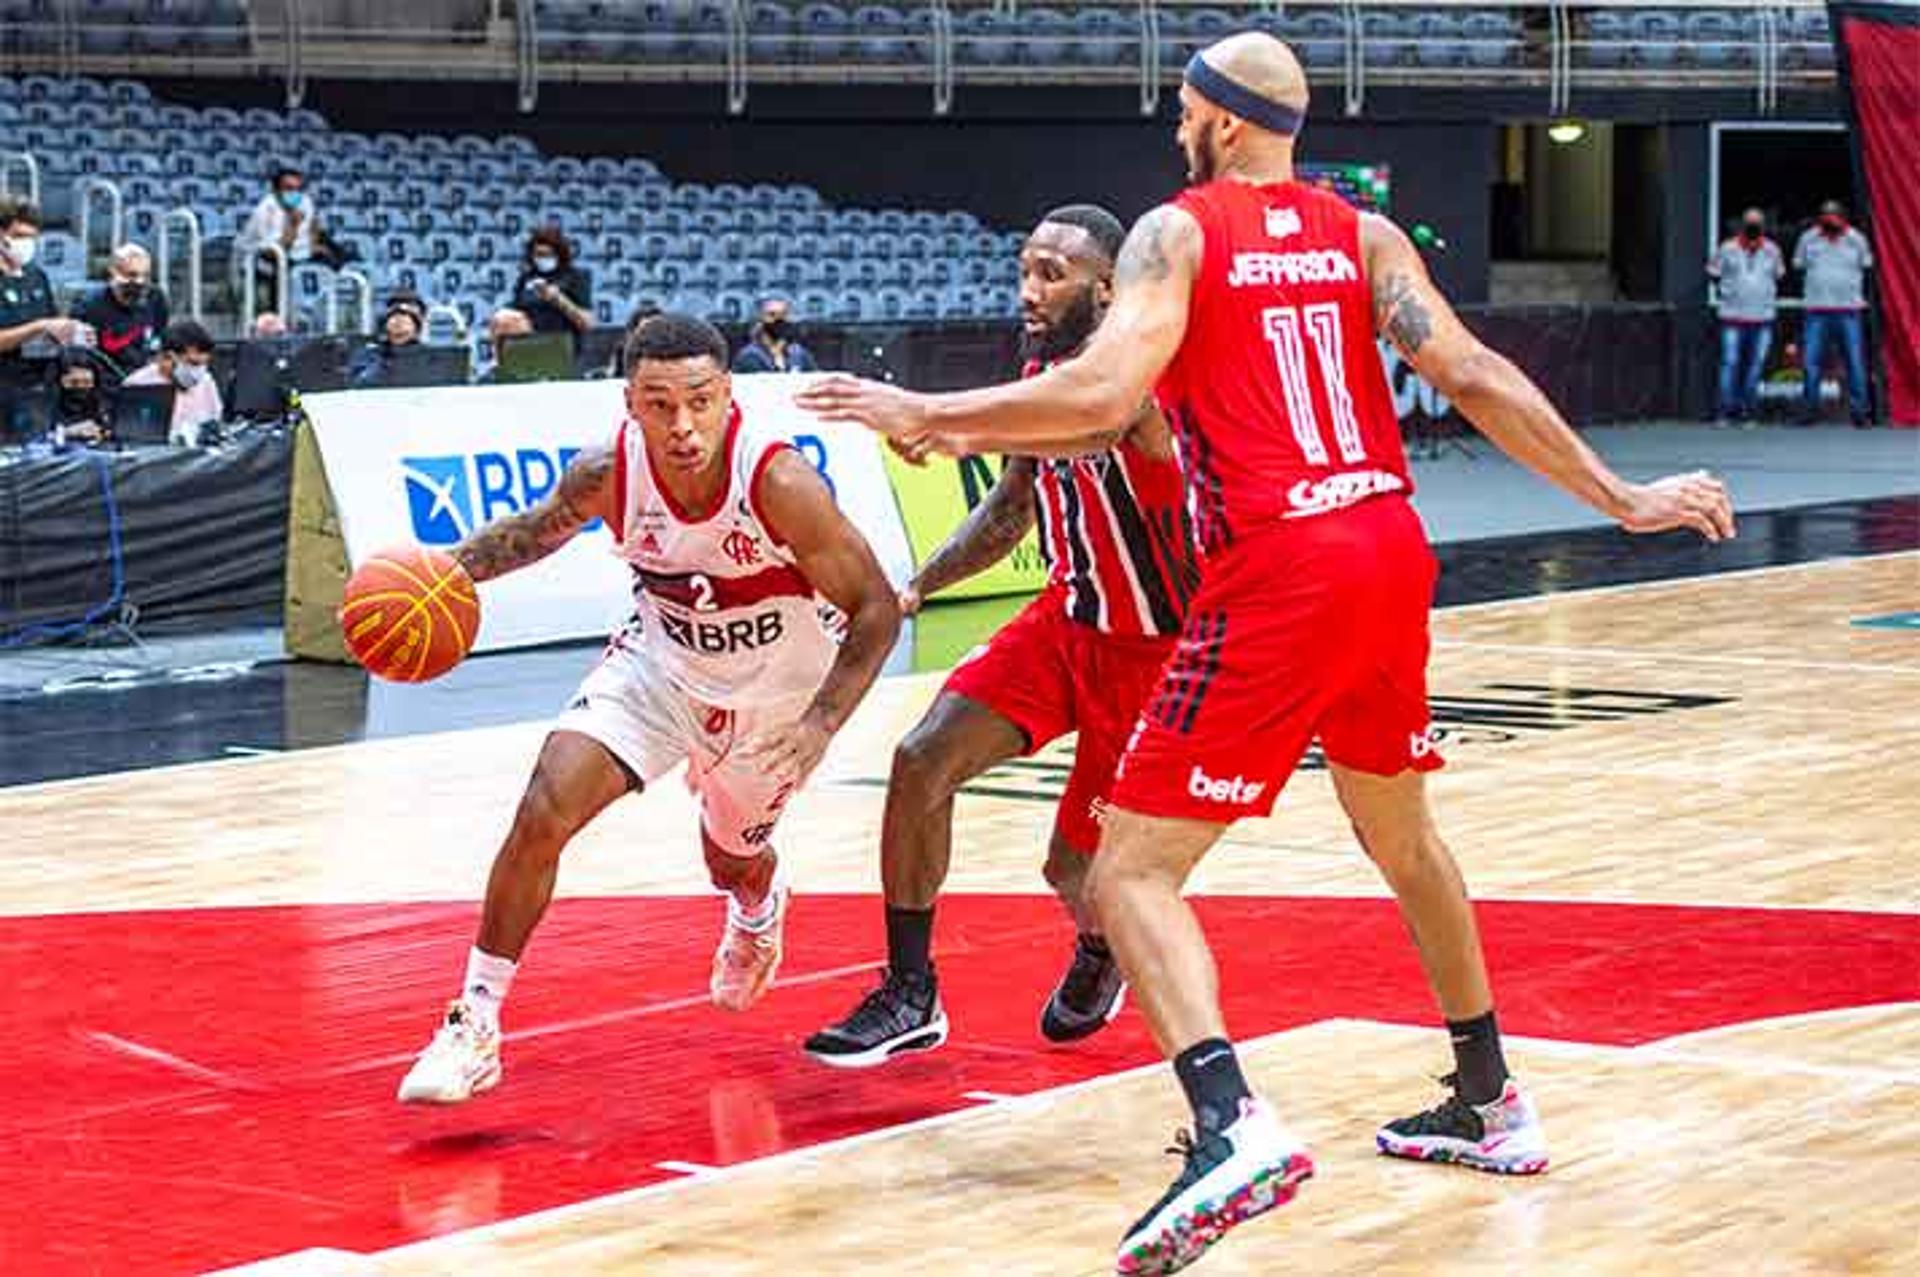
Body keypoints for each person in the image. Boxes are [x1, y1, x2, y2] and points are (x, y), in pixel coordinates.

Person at [798, 33, 1734, 1274]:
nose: (1178, 129)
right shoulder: (1365, 238)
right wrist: (1620, 494)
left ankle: (1228, 1124)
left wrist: (930, 414)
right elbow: (1471, 369)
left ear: (1221, 125)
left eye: (1186, 112)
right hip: (1390, 547)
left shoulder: (1174, 233)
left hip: (1280, 564)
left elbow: (1096, 393)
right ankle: (1492, 1094)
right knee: (1403, 836)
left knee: (1126, 876)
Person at [397, 313, 902, 1105]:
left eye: (699, 400)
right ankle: (474, 1021)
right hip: (658, 669)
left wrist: (820, 726)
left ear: (727, 395)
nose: (683, 424)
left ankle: (758, 901)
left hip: (774, 698)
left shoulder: (777, 483)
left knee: (728, 859)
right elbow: (532, 535)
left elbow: (877, 607)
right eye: (660, 404)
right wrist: (440, 574)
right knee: (543, 807)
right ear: (630, 401)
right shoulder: (609, 472)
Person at [804, 205, 1198, 1069]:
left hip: (1157, 656)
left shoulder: (1143, 381)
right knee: (920, 760)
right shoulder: (1038, 373)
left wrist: (940, 421)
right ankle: (910, 991)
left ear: (1108, 287)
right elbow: (1012, 507)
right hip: (1068, 622)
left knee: (1074, 870)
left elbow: (1088, 425)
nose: (1029, 288)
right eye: (1025, 266)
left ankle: (1100, 947)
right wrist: (915, 587)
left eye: (1052, 273)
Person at [0, 196, 93, 440]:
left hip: (38, 390)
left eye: (31, 237)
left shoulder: (36, 276)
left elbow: (50, 325)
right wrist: (39, 326)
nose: (26, 243)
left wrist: (72, 335)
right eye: (19, 235)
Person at [1793, 199, 1875, 426]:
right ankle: (1809, 412)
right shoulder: (1808, 238)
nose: (1830, 219)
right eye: (1826, 215)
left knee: (1855, 363)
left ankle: (1860, 413)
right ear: (1820, 218)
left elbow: (1867, 267)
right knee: (1811, 363)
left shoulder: (1856, 239)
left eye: (1834, 215)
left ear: (1843, 217)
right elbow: (1798, 266)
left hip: (1848, 309)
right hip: (1816, 309)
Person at [1705, 208, 1783, 425]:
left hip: (1763, 317)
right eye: (1749, 222)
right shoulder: (1727, 248)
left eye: (1757, 222)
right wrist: (1726, 292)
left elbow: (1780, 275)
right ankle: (1724, 412)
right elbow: (1713, 273)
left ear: (1763, 225)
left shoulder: (1772, 250)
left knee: (1756, 366)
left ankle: (1748, 412)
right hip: (1732, 316)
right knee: (1730, 363)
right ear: (1742, 224)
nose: (1753, 226)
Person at [75, 243, 170, 380]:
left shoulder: (155, 298)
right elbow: (78, 357)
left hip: (144, 382)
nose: (139, 281)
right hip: (104, 386)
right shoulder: (89, 305)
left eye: (145, 276)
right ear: (113, 272)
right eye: (132, 275)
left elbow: (160, 340)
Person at [123, 319, 224, 446]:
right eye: (193, 363)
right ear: (166, 358)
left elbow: (215, 423)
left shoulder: (206, 382)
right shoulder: (137, 385)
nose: (199, 371)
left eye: (204, 364)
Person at [238, 166, 321, 318]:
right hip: (259, 260)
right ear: (276, 191)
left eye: (298, 188)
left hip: (295, 255)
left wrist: (314, 244)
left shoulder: (305, 201)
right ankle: (278, 318)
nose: (295, 193)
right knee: (279, 273)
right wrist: (293, 226)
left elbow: (314, 223)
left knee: (333, 260)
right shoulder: (264, 210)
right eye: (289, 188)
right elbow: (272, 252)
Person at [498, 225, 593, 340]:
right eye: (538, 254)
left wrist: (558, 299)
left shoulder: (575, 277)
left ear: (559, 254)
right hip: (531, 345)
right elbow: (516, 312)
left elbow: (587, 323)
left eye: (548, 254)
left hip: (564, 344)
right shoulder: (526, 278)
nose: (542, 258)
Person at [347, 290, 427, 387]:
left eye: (406, 320)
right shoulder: (368, 354)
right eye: (394, 317)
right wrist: (386, 361)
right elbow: (359, 383)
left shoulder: (428, 357)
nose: (399, 324)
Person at [733, 297, 819, 374]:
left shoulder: (799, 353)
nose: (779, 319)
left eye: (784, 314)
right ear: (759, 320)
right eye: (772, 315)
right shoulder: (750, 356)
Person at [51, 349, 112, 449]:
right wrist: (68, 432)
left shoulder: (103, 404)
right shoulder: (46, 404)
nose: (81, 387)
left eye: (87, 382)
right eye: (74, 382)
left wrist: (102, 432)